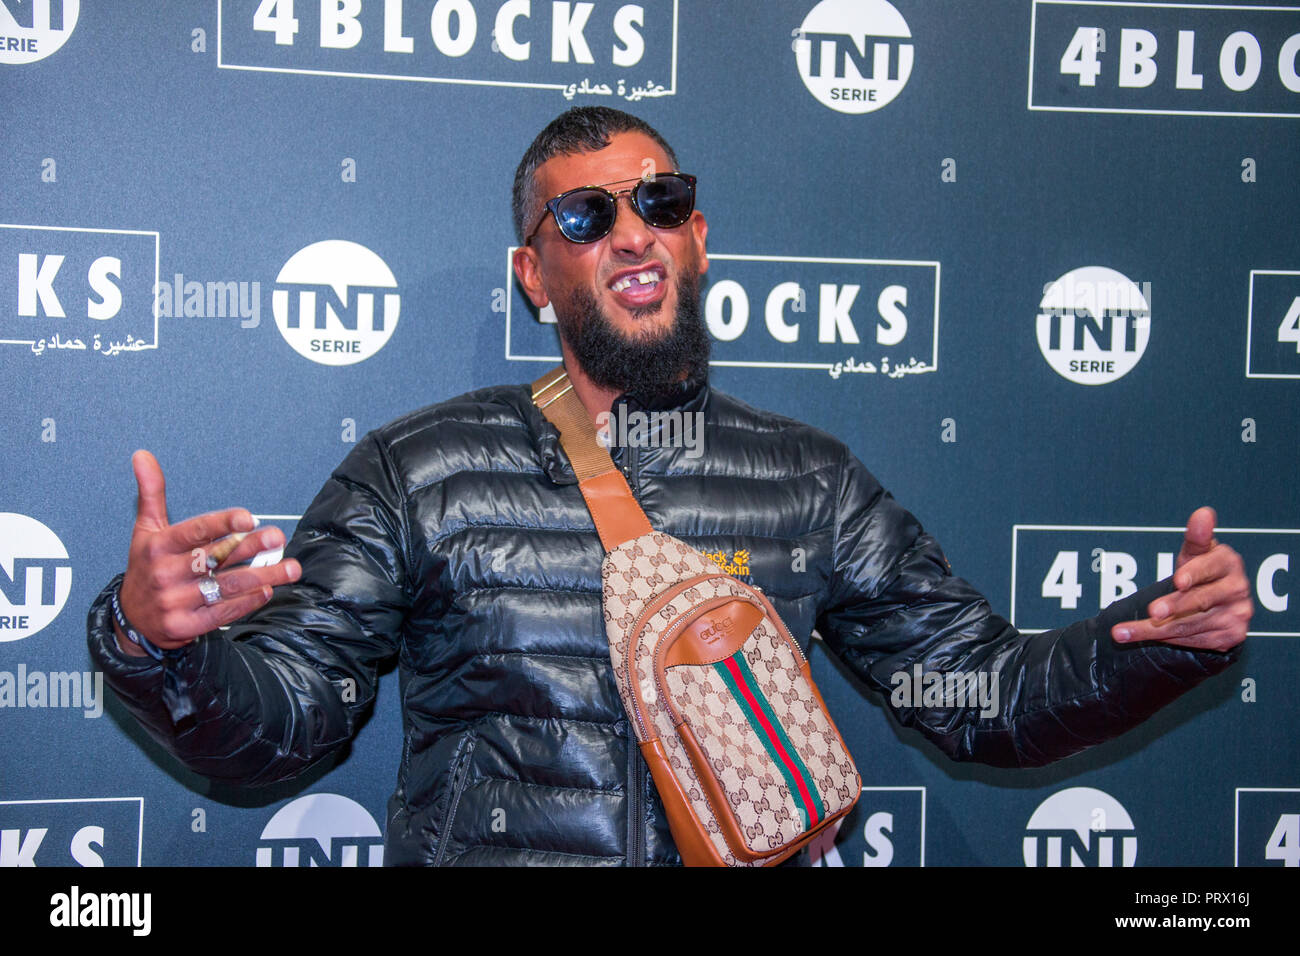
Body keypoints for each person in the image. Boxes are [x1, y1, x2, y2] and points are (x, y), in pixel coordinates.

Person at [87, 107, 1253, 866]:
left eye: (660, 201)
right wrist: (157, 645)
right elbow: (287, 721)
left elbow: (973, 688)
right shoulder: (420, 469)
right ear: (533, 274)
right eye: (585, 216)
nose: (630, 231)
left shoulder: (809, 478)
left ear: (699, 235)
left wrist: (1145, 643)